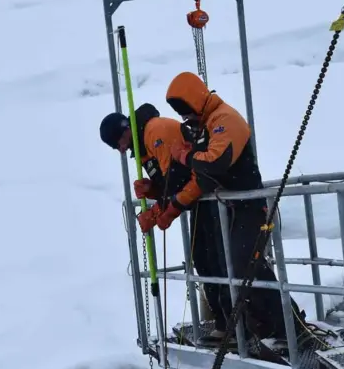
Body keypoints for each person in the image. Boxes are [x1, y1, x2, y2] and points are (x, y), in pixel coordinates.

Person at [164, 71, 309, 346]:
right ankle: (256, 327)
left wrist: (186, 156)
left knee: (247, 264)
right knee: (225, 266)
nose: (185, 119)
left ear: (196, 101)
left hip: (248, 207)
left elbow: (215, 162)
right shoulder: (206, 126)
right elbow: (203, 172)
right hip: (228, 209)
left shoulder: (224, 120)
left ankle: (291, 326)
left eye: (186, 111)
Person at [100, 104, 234, 342]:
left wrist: (156, 212)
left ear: (123, 132)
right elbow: (168, 184)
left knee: (220, 261)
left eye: (116, 144)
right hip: (202, 201)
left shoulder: (156, 132)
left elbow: (179, 181)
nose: (120, 150)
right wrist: (153, 190)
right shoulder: (144, 144)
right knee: (205, 260)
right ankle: (226, 323)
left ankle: (238, 324)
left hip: (215, 198)